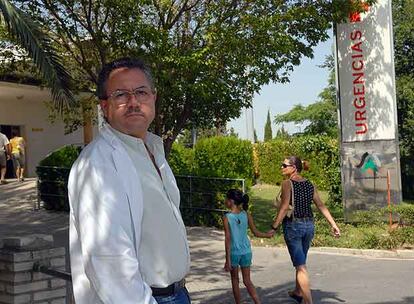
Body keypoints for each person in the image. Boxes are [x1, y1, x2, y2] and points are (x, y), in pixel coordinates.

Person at [68, 57, 191, 304]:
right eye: (121, 95)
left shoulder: (153, 151)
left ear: (153, 98)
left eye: (141, 92)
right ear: (104, 106)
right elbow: (108, 261)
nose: (134, 102)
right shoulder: (97, 165)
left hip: (177, 294)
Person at [268, 156, 340, 304]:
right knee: (301, 260)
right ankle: (297, 291)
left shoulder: (287, 184)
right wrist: (333, 224)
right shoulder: (310, 184)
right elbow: (320, 205)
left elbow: (283, 207)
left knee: (300, 266)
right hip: (309, 226)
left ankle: (308, 302)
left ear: (294, 167)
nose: (281, 168)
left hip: (293, 226)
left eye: (284, 165)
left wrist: (274, 227)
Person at [223, 189, 273, 304]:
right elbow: (255, 232)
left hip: (234, 253)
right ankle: (257, 302)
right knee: (247, 280)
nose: (225, 201)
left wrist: (228, 260)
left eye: (226, 199)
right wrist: (267, 235)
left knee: (235, 280)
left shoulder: (227, 217)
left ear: (231, 201)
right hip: (246, 252)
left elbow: (228, 239)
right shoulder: (246, 214)